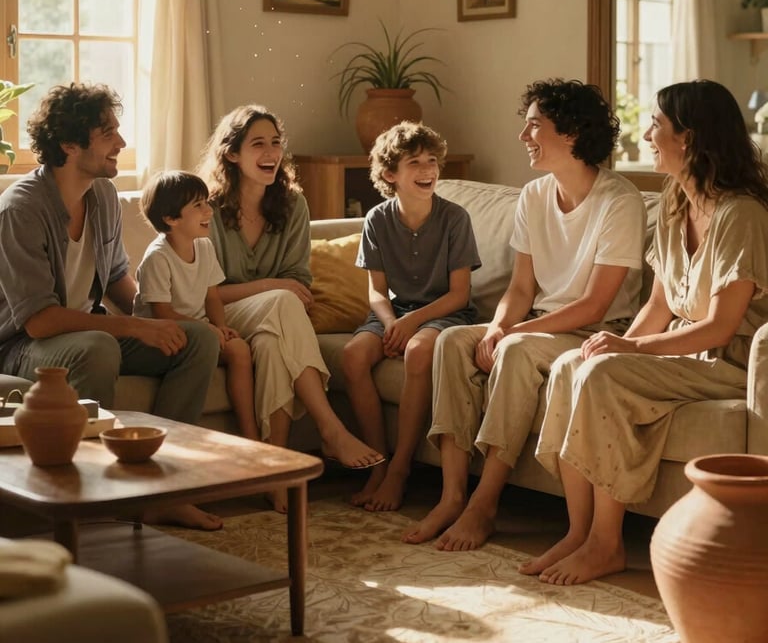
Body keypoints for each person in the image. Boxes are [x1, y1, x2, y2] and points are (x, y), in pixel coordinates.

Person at [526, 79, 768, 586]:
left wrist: (627, 350)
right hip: (684, 353)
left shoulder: (740, 214)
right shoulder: (676, 202)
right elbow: (658, 306)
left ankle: (605, 545)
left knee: (604, 374)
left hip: (730, 362)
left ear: (690, 138)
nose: (647, 133)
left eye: (657, 124)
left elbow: (721, 326)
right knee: (575, 364)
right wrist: (608, 345)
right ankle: (578, 530)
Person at [403, 78, 646, 550]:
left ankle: (484, 504)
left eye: (534, 126)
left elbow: (595, 304)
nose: (523, 136)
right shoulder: (534, 195)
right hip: (540, 322)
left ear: (572, 133)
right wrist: (496, 326)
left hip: (597, 331)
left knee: (513, 348)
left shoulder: (620, 201)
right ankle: (453, 496)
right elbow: (520, 286)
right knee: (455, 341)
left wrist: (514, 332)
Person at [0, 83, 221, 530]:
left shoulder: (102, 197)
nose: (121, 143)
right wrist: (135, 330)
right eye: (108, 133)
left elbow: (119, 277)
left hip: (89, 332)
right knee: (99, 346)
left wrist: (155, 321)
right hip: (22, 345)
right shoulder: (19, 210)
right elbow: (40, 321)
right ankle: (88, 501)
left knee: (196, 339)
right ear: (68, 143)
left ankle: (160, 489)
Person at [197, 104, 383, 512]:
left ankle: (274, 468)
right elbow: (203, 294)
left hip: (270, 319)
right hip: (215, 316)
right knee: (280, 303)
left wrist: (278, 289)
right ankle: (330, 428)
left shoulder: (293, 205)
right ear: (232, 154)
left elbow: (298, 283)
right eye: (258, 144)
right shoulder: (205, 210)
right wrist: (270, 286)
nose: (271, 152)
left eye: (276, 143)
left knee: (270, 343)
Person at [341, 122, 481, 512]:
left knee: (419, 352)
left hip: (445, 312)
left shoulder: (455, 219)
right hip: (395, 313)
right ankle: (378, 464)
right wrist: (390, 323)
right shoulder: (377, 220)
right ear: (390, 175)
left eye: (432, 161)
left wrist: (412, 323)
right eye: (414, 162)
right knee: (352, 356)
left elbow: (459, 295)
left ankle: (400, 469)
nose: (427, 170)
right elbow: (376, 291)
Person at [134, 170, 259, 441]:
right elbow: (162, 313)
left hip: (201, 331)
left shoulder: (204, 247)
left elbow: (212, 296)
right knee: (209, 341)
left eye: (206, 202)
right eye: (198, 206)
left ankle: (250, 435)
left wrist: (221, 327)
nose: (209, 211)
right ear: (171, 219)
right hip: (163, 334)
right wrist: (206, 331)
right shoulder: (158, 258)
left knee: (239, 349)